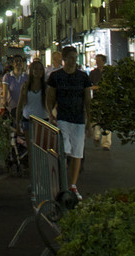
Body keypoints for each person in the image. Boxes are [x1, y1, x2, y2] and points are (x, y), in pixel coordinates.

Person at [45, 45, 94, 195]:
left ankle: (72, 184)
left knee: (77, 154)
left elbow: (87, 100)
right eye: (71, 57)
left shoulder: (83, 77)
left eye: (75, 57)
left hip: (78, 119)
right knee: (64, 150)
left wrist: (89, 122)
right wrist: (50, 114)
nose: (74, 60)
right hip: (62, 118)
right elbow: (50, 97)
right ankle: (61, 182)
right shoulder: (56, 76)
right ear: (64, 59)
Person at [15, 57, 49, 128]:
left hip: (44, 121)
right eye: (35, 69)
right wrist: (17, 123)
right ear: (31, 71)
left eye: (40, 69)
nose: (38, 71)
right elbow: (19, 105)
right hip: (28, 120)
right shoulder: (25, 86)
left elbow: (50, 104)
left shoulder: (46, 87)